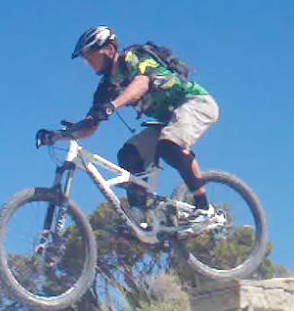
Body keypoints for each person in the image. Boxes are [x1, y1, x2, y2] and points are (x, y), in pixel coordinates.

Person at [66, 25, 219, 229]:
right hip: (168, 120)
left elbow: (141, 84)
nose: (89, 62)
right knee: (129, 154)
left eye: (91, 56)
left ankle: (205, 208)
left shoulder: (133, 57)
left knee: (169, 145)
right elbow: (91, 124)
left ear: (110, 50)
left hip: (194, 102)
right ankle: (142, 216)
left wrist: (113, 106)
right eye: (86, 59)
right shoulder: (106, 87)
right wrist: (58, 136)